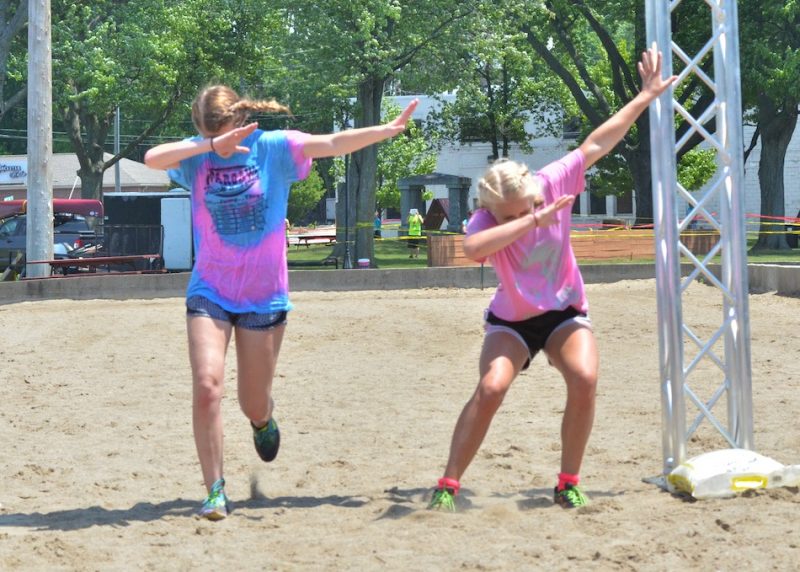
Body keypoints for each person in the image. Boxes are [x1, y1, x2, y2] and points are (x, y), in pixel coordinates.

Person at [144, 85, 418, 520]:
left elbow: (331, 143)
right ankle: (215, 490)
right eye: (206, 132)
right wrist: (211, 145)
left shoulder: (272, 147)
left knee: (252, 400)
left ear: (239, 119)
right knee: (206, 386)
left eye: (221, 130)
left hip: (262, 294)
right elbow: (152, 158)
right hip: (210, 289)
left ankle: (262, 420)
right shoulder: (196, 154)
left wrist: (385, 130)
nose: (216, 138)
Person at [428, 44, 676, 511]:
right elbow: (472, 250)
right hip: (512, 322)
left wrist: (645, 96)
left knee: (584, 378)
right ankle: (448, 484)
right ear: (494, 212)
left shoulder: (552, 181)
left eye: (534, 205)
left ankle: (567, 481)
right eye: (516, 214)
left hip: (564, 311)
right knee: (491, 388)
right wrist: (531, 223)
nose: (534, 211)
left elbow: (598, 142)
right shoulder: (484, 222)